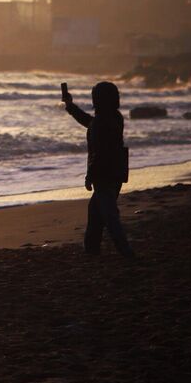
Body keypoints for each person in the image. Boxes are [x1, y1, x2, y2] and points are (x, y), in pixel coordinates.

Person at [62, 81, 134, 258]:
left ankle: (126, 253)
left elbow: (100, 154)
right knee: (96, 212)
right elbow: (90, 122)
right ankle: (92, 250)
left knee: (109, 216)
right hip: (116, 172)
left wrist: (89, 177)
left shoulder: (102, 122)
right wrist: (70, 106)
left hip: (104, 174)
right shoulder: (115, 117)